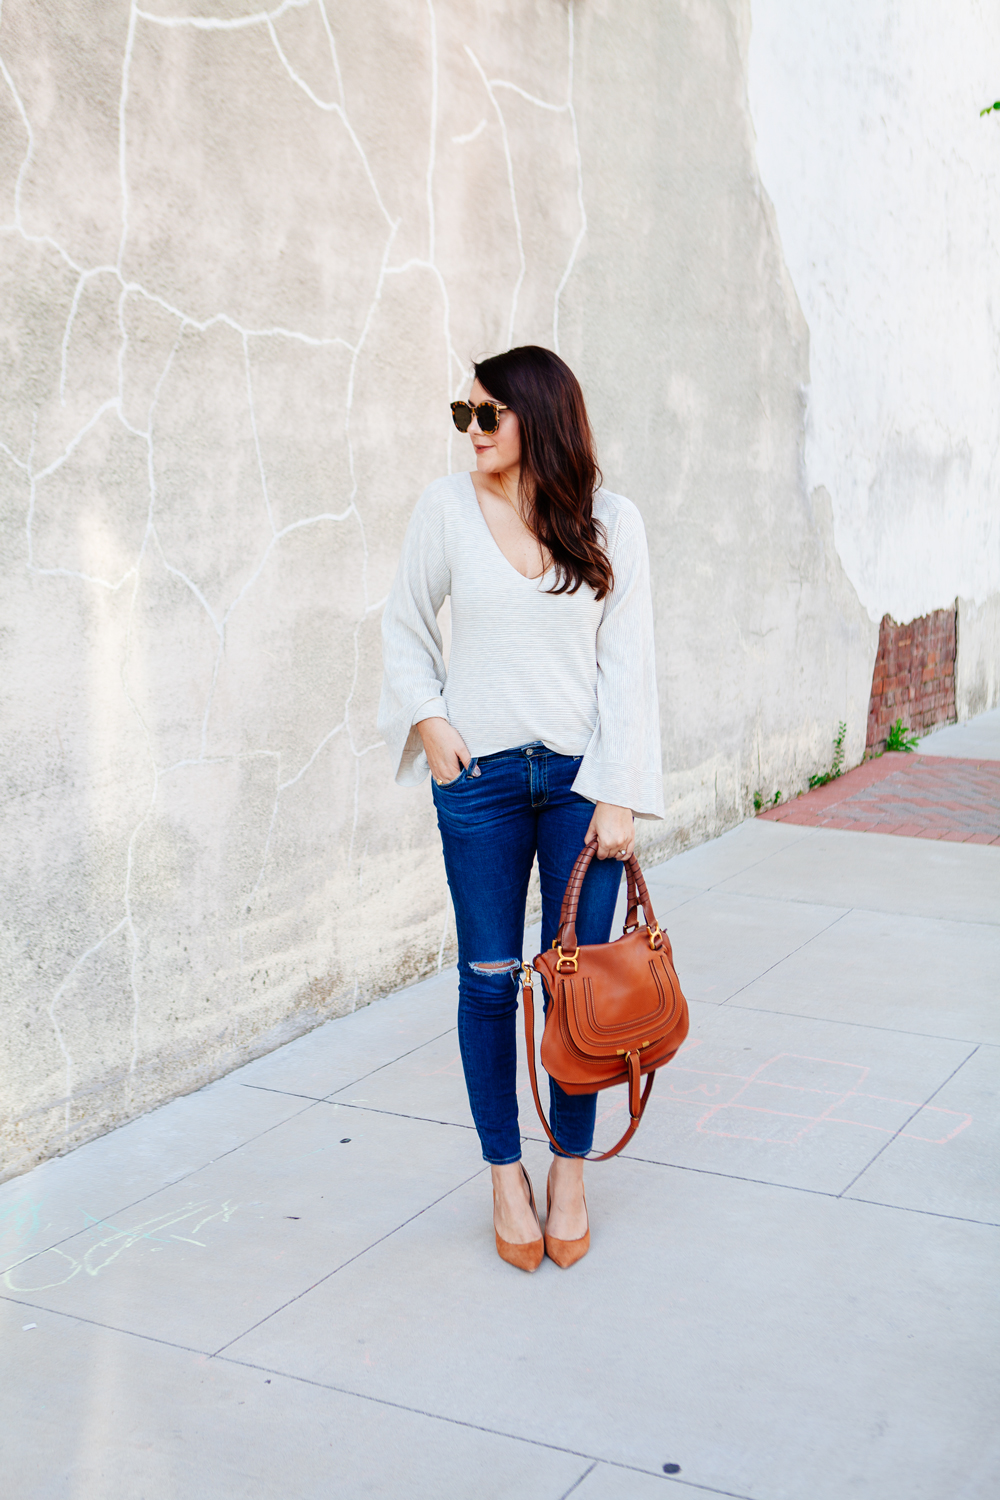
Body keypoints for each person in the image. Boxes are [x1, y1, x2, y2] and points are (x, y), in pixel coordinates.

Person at [378, 345, 663, 1271]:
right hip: (482, 784)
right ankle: (506, 1172)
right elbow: (404, 623)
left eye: (486, 415)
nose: (471, 431)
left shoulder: (610, 522)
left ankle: (569, 1171)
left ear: (537, 418)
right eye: (462, 414)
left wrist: (619, 793)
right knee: (490, 978)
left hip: (582, 788)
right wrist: (429, 722)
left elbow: (630, 668)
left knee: (576, 982)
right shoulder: (445, 510)